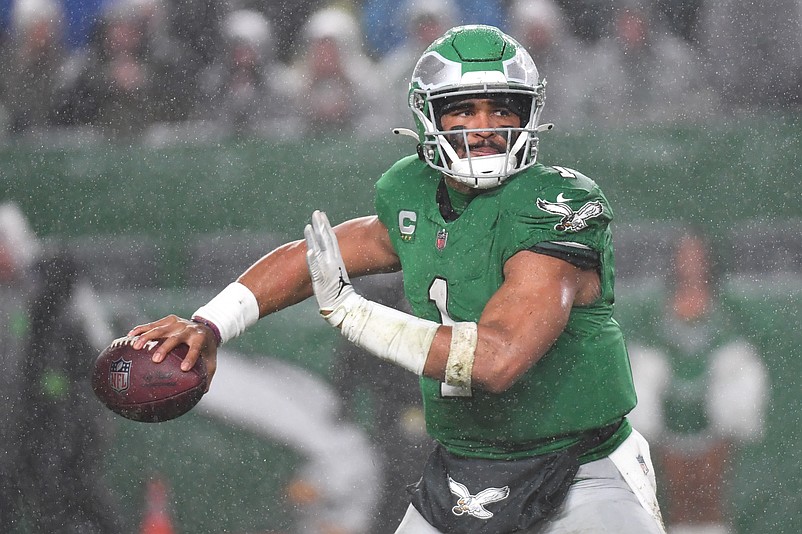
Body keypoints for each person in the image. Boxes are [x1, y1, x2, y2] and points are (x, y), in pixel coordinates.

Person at [129, 25, 666, 533]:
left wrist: (355, 314)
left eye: (502, 108)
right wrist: (212, 323)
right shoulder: (410, 194)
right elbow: (313, 256)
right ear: (427, 116)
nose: (484, 128)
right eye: (463, 110)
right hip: (464, 471)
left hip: (581, 467)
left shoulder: (558, 204)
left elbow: (498, 360)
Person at [626, 229, 769, 534]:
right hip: (672, 412)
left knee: (711, 490)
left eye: (696, 256)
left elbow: (742, 348)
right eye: (684, 256)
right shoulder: (657, 306)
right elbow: (644, 351)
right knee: (677, 494)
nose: (690, 263)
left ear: (708, 260)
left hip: (713, 412)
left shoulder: (726, 305)